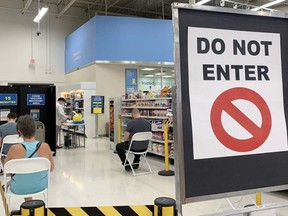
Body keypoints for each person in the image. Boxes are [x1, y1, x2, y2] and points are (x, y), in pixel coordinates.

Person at [4, 115, 54, 199]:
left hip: (18, 188)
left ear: (19, 132)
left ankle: (28, 203)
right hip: (41, 186)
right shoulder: (45, 146)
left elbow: (7, 172)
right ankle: (30, 203)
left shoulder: (14, 149)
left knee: (18, 180)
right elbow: (51, 168)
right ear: (35, 130)